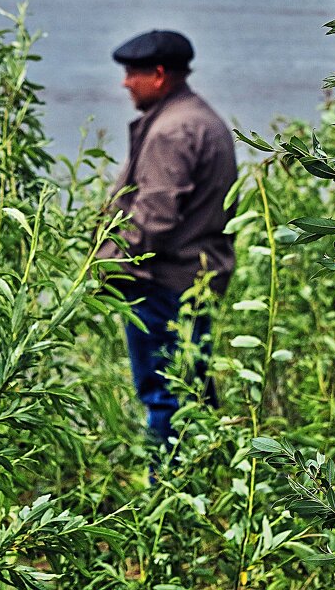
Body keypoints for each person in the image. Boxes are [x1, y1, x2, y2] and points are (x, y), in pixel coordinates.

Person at [97, 30, 237, 447]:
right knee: (192, 389)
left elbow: (152, 220)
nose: (124, 83)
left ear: (158, 75)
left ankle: (166, 497)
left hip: (163, 285)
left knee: (165, 395)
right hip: (195, 279)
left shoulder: (171, 131)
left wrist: (106, 269)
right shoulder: (200, 118)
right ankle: (204, 479)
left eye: (131, 74)